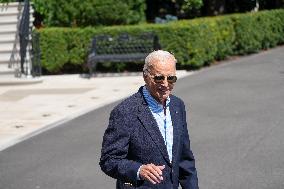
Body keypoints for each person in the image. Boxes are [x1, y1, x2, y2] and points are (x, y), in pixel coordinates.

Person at [99, 50, 199, 189]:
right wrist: (139, 170)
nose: (165, 84)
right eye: (159, 78)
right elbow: (109, 160)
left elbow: (184, 158)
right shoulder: (125, 111)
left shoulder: (177, 106)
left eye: (171, 78)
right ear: (145, 76)